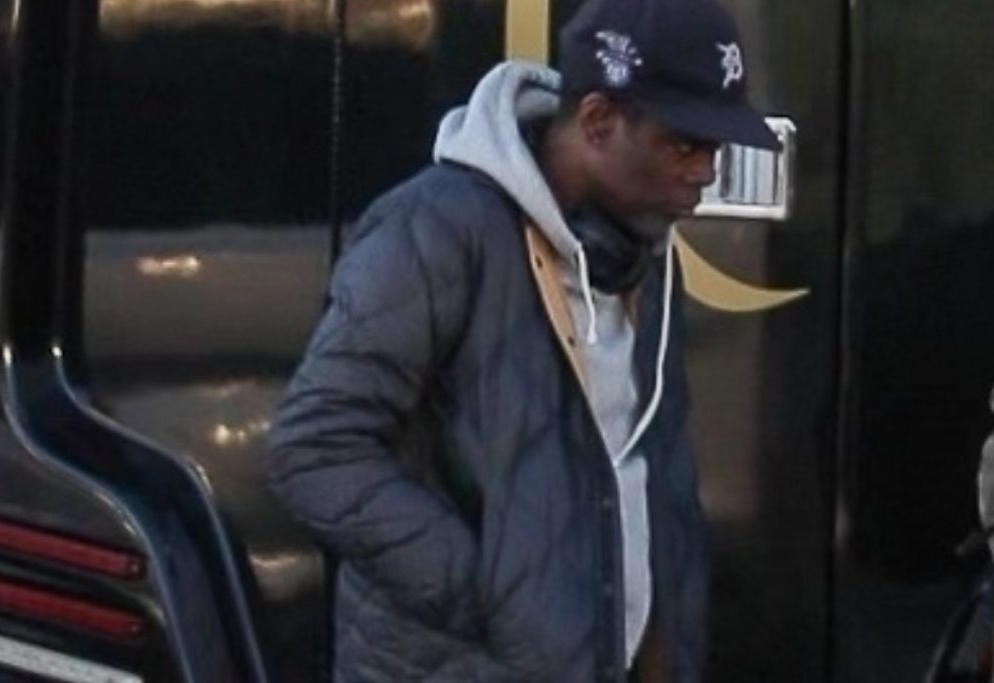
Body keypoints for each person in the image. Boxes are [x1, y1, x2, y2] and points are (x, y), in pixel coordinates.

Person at [263, 0, 780, 680]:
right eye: (684, 145)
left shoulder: (646, 255)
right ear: (597, 121)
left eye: (714, 149)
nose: (704, 173)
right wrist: (483, 591)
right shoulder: (436, 230)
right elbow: (313, 448)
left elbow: (649, 470)